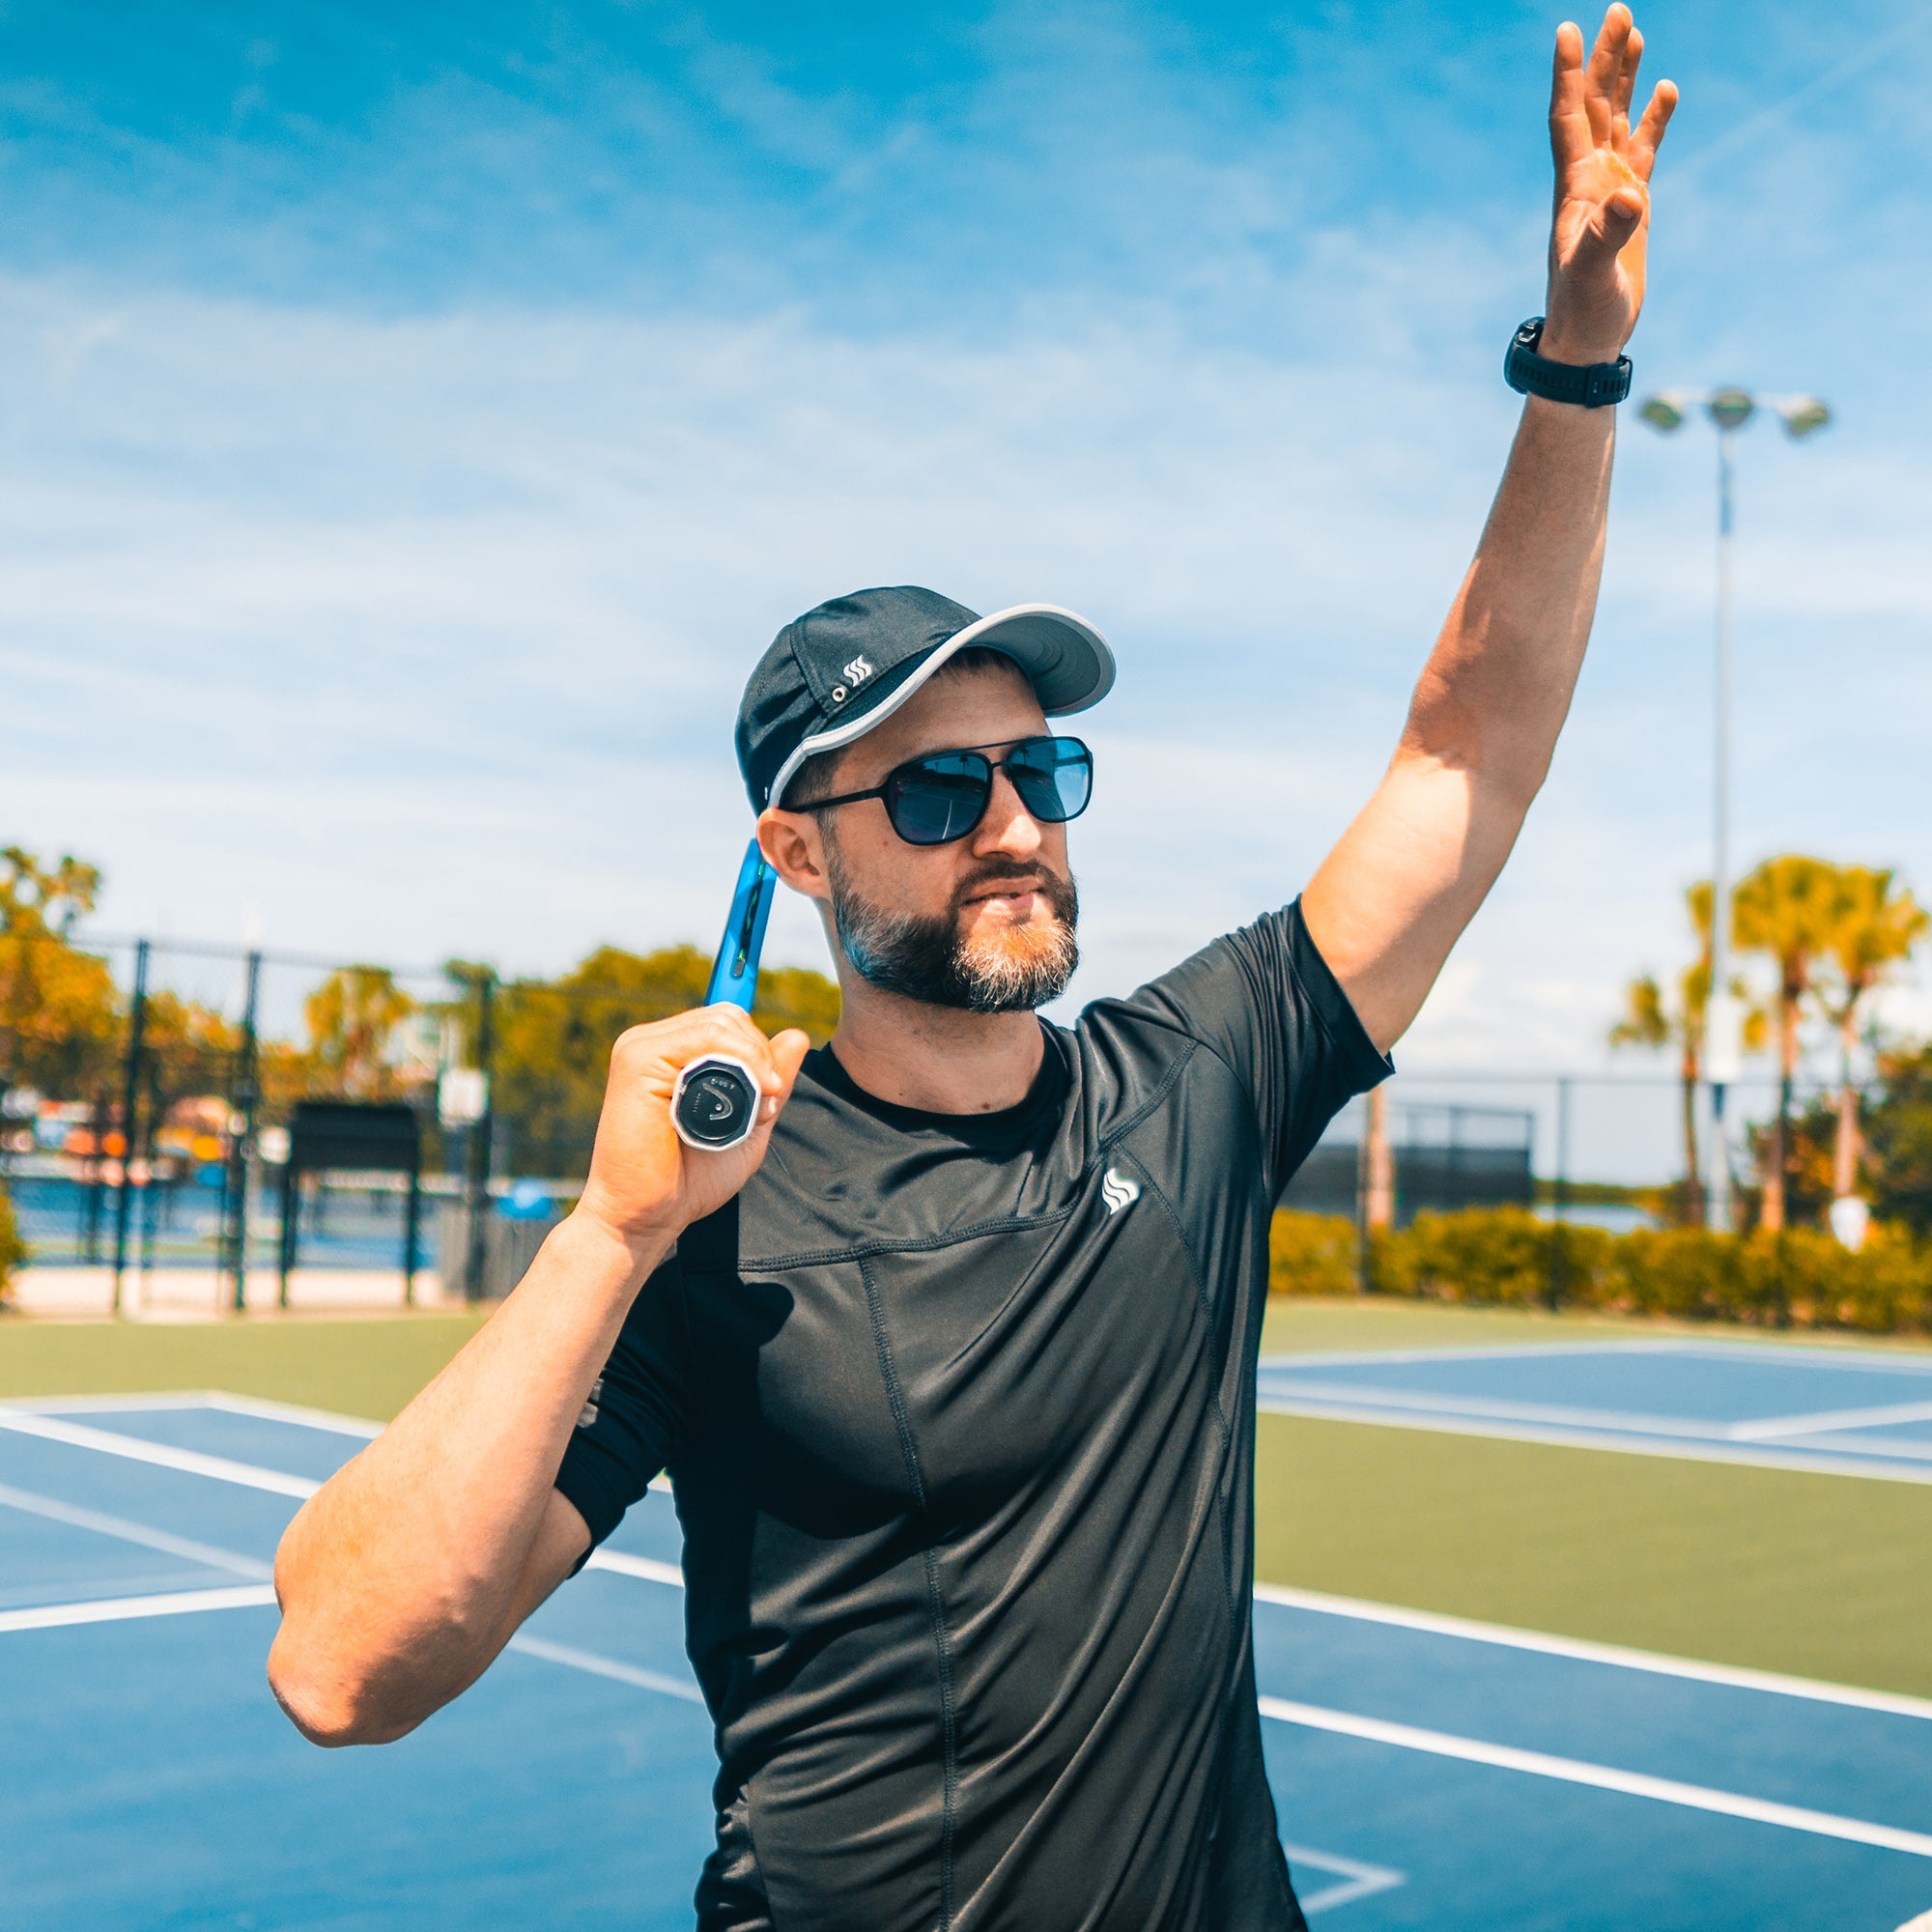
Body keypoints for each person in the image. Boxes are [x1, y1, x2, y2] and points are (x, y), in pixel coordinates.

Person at [268, 12, 1675, 1927]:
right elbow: (347, 1667)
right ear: (798, 848)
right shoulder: (712, 1230)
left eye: (1043, 768)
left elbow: (1464, 749)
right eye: (936, 786)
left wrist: (1576, 363)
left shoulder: (1198, 1083)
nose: (1012, 821)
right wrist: (607, 1238)